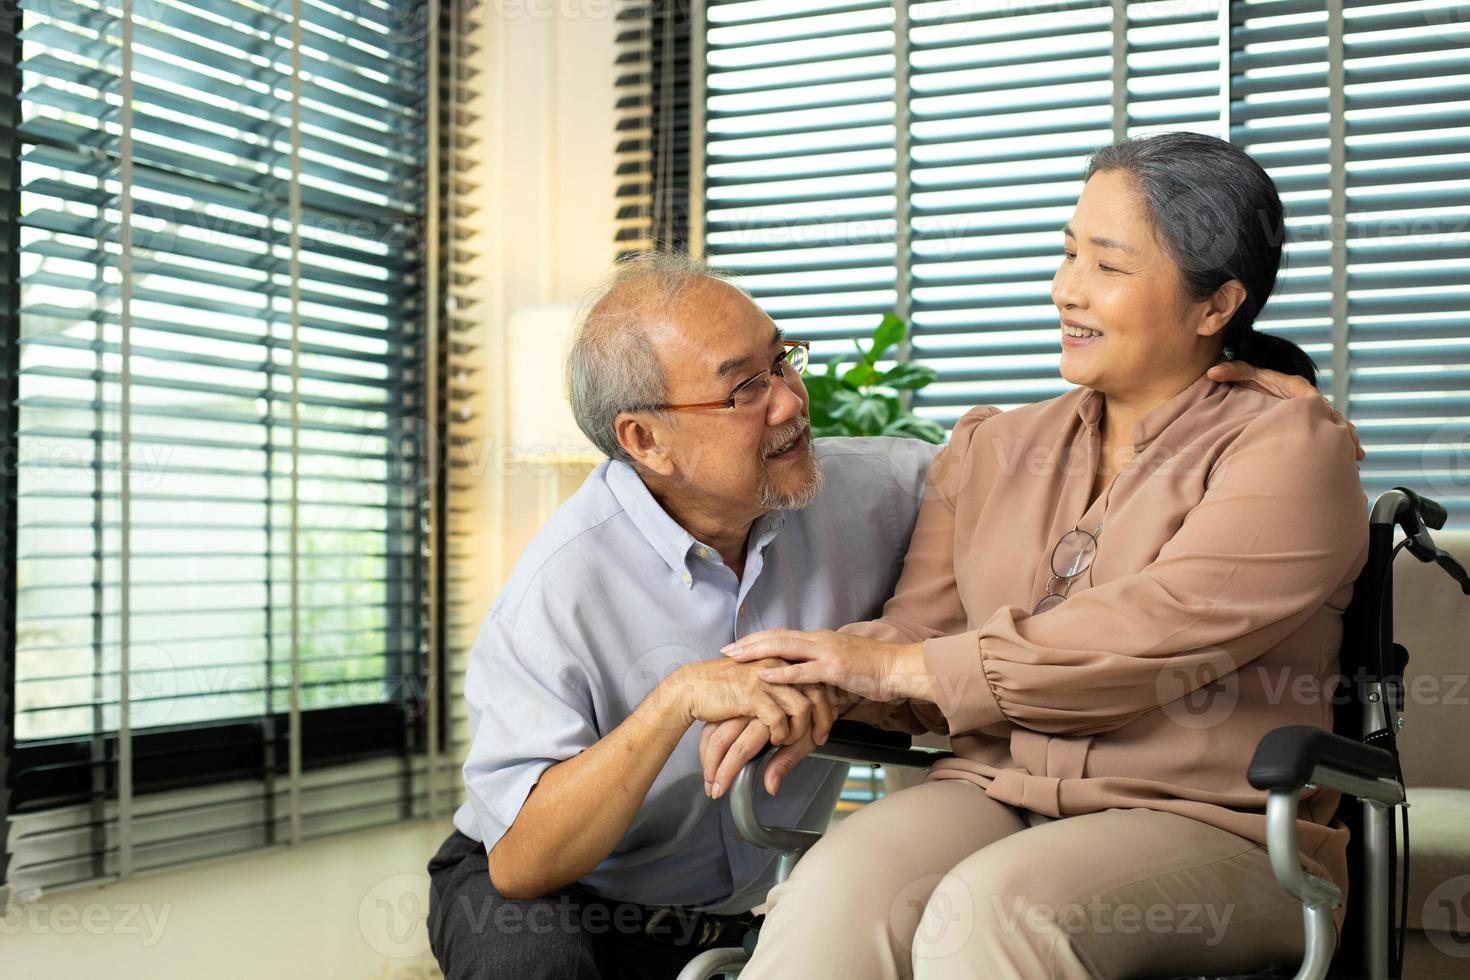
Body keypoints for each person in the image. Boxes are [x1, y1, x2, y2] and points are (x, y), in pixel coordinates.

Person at [429, 248, 1354, 976]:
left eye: (783, 357)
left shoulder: (873, 487)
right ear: (644, 439)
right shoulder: (559, 585)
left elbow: (1041, 468)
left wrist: (1248, 392)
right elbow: (521, 860)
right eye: (745, 388)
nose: (793, 402)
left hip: (739, 896)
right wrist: (676, 701)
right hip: (549, 879)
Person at [714, 132, 1369, 979]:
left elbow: (1141, 636)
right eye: (1067, 254)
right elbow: (922, 628)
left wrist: (897, 669)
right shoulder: (993, 446)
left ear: (1216, 307)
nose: (1067, 290)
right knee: (834, 887)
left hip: (1217, 829)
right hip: (997, 792)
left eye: (1107, 265)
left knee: (997, 912)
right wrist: (817, 681)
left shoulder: (1290, 451)